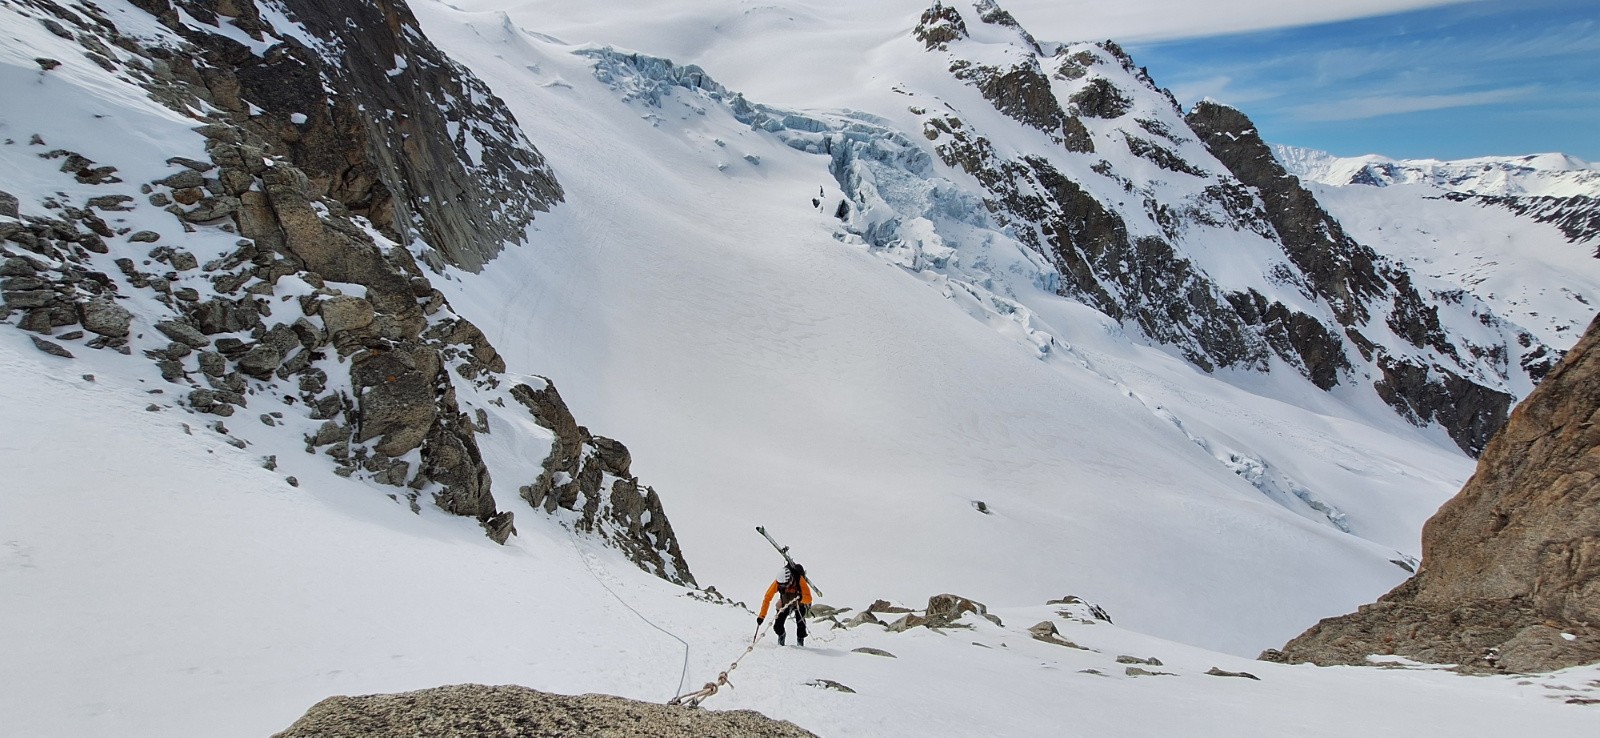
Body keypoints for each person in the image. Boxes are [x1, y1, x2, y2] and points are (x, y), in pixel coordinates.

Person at [756, 562, 812, 646]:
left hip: (799, 603)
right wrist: (761, 616)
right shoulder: (778, 582)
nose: (782, 587)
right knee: (777, 626)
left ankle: (800, 643)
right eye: (781, 585)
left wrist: (801, 598)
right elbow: (767, 597)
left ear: (790, 580)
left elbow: (809, 598)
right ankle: (782, 635)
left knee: (801, 627)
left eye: (784, 585)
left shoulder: (799, 579)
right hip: (785, 602)